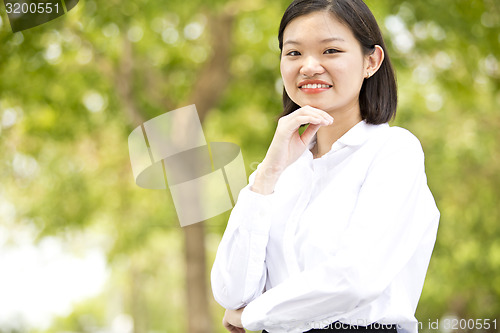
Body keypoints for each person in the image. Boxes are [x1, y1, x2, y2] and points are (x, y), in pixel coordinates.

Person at [211, 0, 440, 332]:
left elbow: (354, 279)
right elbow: (232, 291)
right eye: (293, 53)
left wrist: (253, 315)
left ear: (371, 61)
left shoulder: (393, 151)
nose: (309, 66)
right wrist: (267, 175)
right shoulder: (283, 170)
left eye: (330, 51)